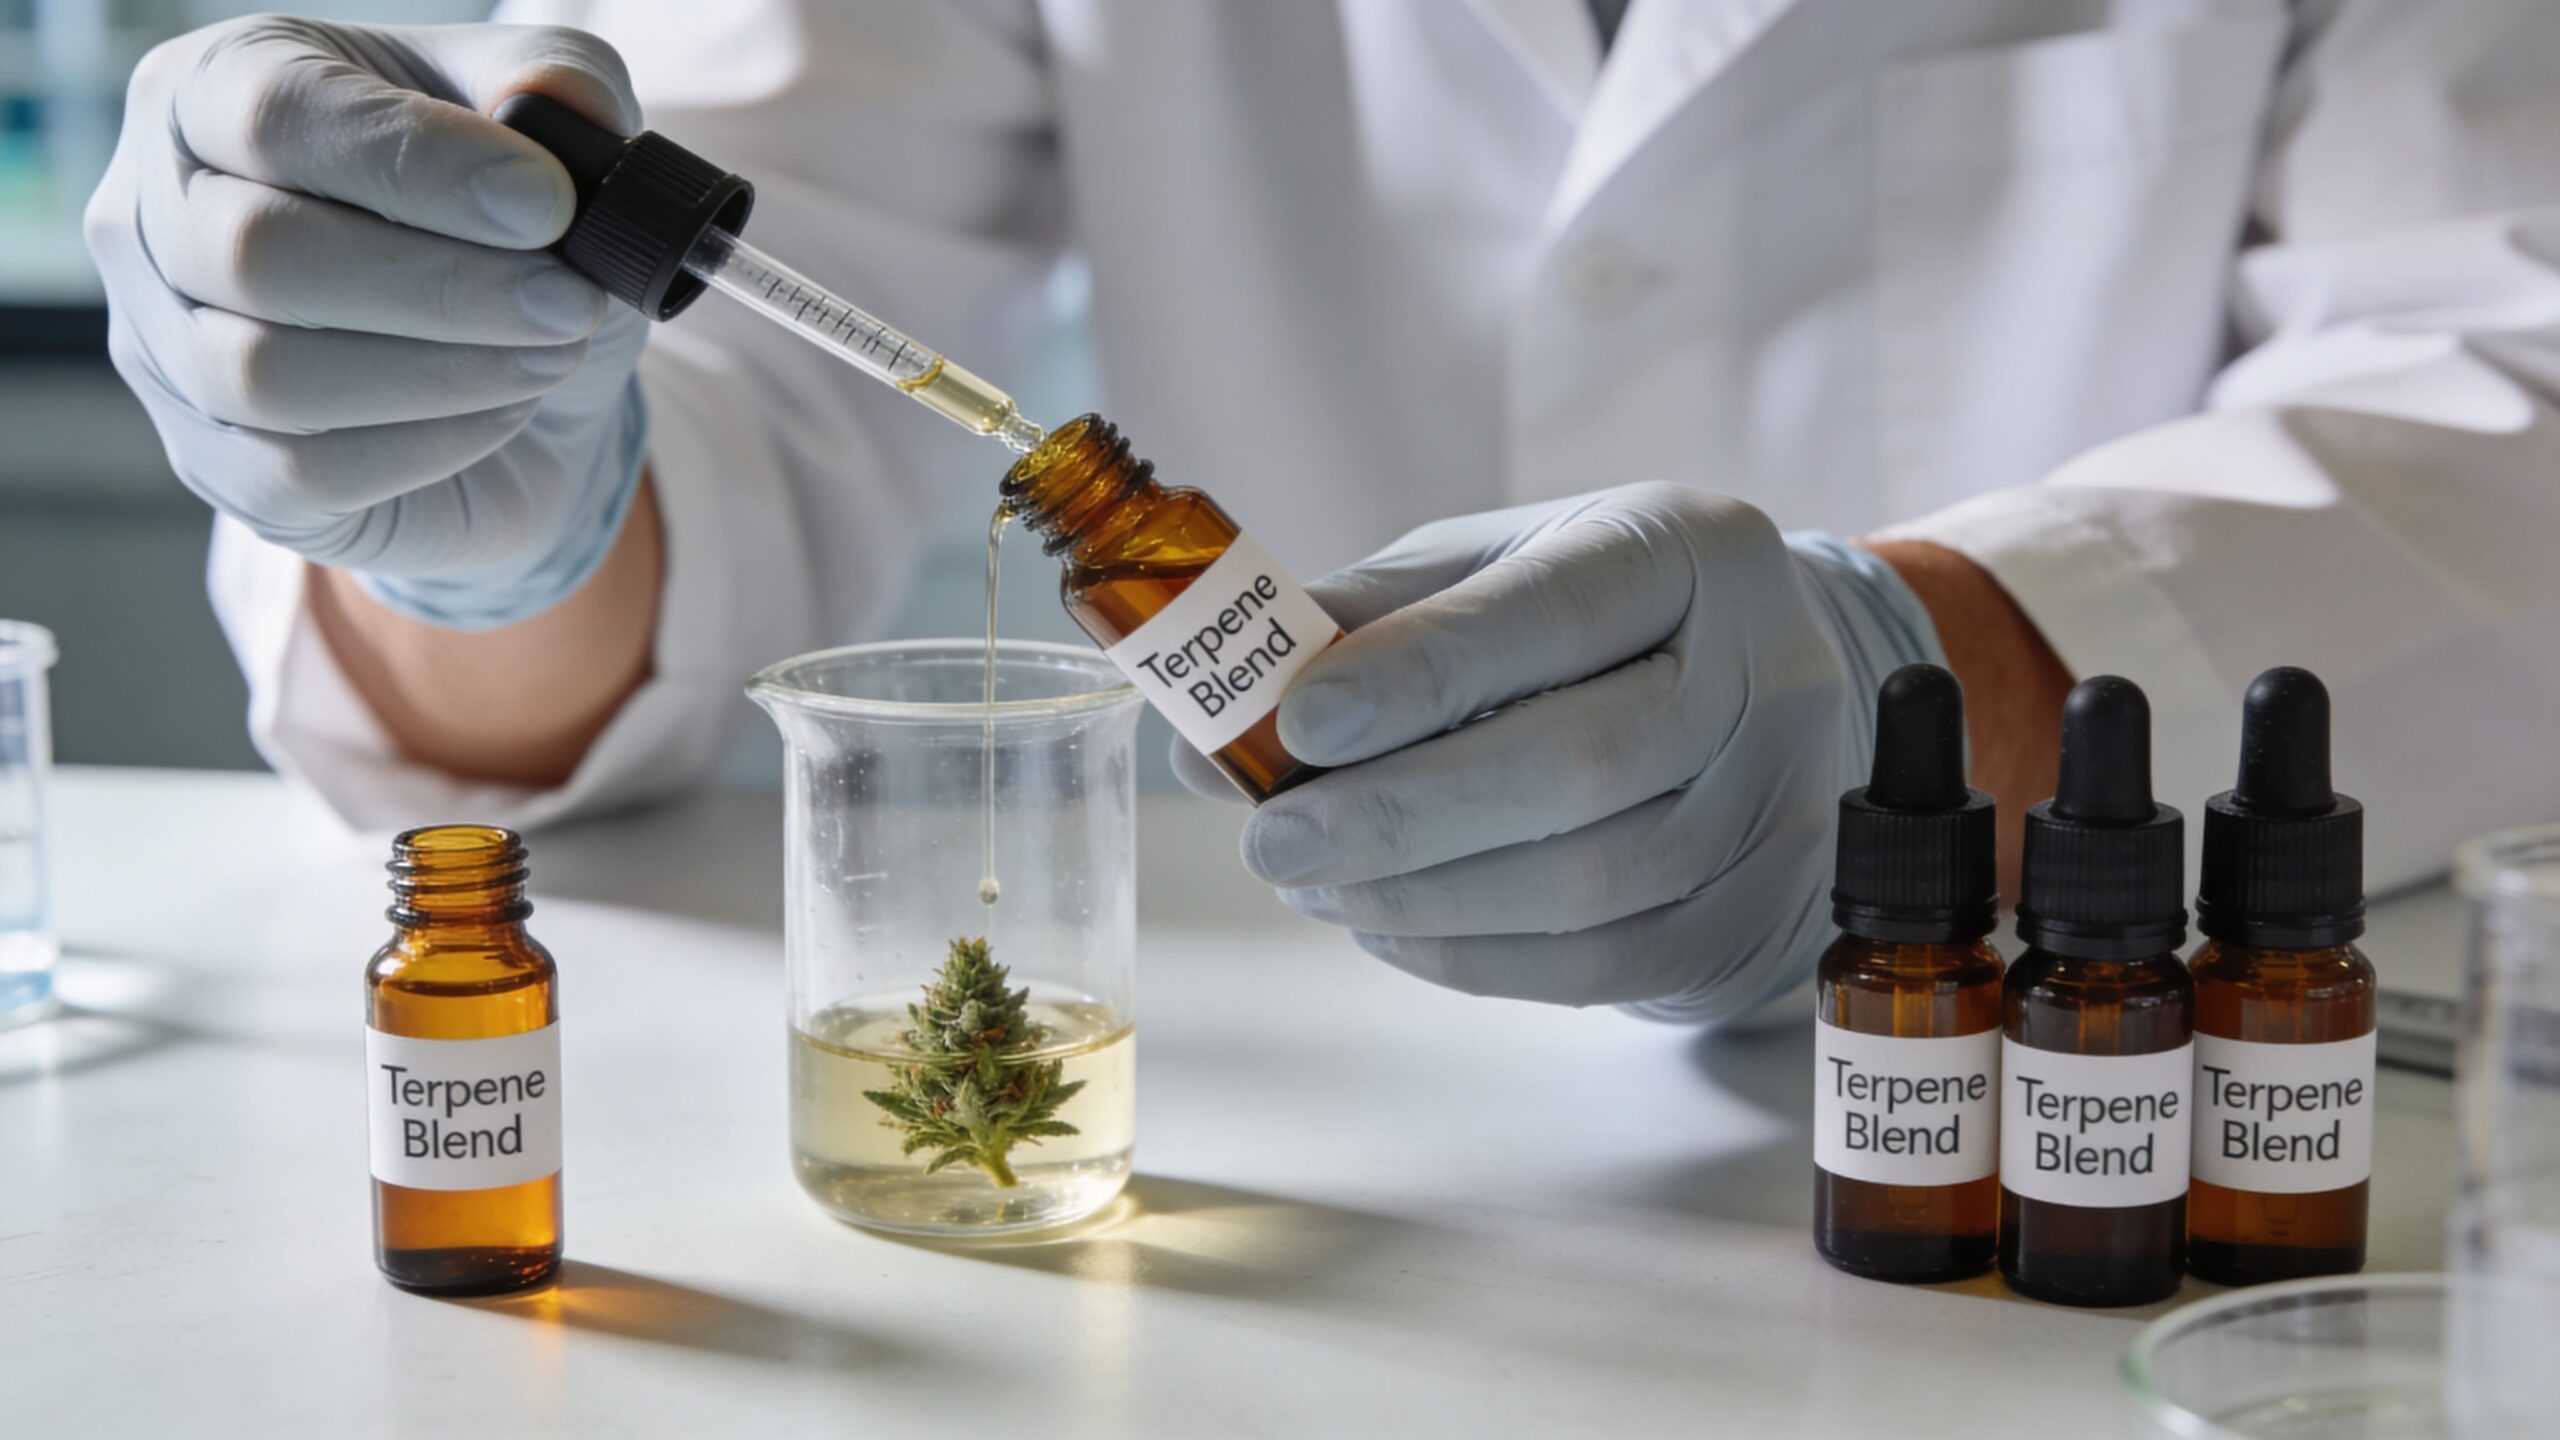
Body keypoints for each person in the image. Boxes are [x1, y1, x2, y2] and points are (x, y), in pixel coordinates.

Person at [86, 1, 2560, 1024]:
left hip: (2110, 1064)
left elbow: (2512, 348)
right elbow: (739, 375)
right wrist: (471, 495)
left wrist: (1947, 686)